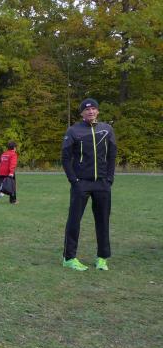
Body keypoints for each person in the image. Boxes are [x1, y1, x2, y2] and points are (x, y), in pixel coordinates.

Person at [61, 98, 117, 271]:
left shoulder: (107, 129)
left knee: (103, 221)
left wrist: (109, 179)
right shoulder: (73, 130)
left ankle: (102, 258)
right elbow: (65, 157)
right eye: (87, 109)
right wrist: (74, 180)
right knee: (74, 221)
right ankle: (69, 258)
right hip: (81, 184)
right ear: (81, 113)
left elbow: (112, 155)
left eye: (93, 108)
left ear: (97, 111)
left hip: (102, 184)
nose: (90, 111)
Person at [0, 141, 18, 205]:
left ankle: (13, 200)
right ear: (14, 148)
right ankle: (12, 200)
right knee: (12, 186)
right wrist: (11, 172)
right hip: (8, 172)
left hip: (0, 172)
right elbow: (13, 164)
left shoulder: (4, 154)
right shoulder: (13, 154)